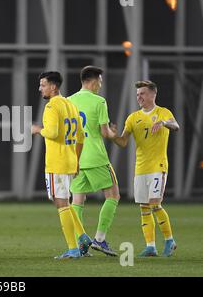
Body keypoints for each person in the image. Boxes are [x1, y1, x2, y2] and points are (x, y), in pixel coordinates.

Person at [112, 80, 179, 257]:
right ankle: (150, 246)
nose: (139, 97)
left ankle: (170, 240)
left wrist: (164, 123)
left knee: (155, 203)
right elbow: (123, 142)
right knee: (144, 207)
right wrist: (111, 135)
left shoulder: (163, 112)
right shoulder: (133, 117)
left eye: (142, 93)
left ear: (152, 94)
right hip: (140, 168)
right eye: (137, 94)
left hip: (158, 165)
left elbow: (176, 126)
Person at [31, 71, 92, 259]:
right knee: (63, 200)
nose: (40, 88)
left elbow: (52, 132)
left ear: (54, 87)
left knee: (61, 203)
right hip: (70, 161)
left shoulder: (52, 106)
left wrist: (37, 130)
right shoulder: (70, 105)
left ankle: (73, 248)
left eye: (43, 84)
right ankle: (82, 236)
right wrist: (77, 160)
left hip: (56, 162)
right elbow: (81, 137)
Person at [68, 66, 120, 257]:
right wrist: (114, 133)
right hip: (95, 156)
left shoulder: (68, 101)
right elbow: (105, 132)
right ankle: (99, 239)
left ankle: (79, 245)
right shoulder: (99, 101)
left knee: (77, 201)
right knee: (113, 196)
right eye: (100, 80)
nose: (101, 84)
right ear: (93, 80)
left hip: (75, 158)